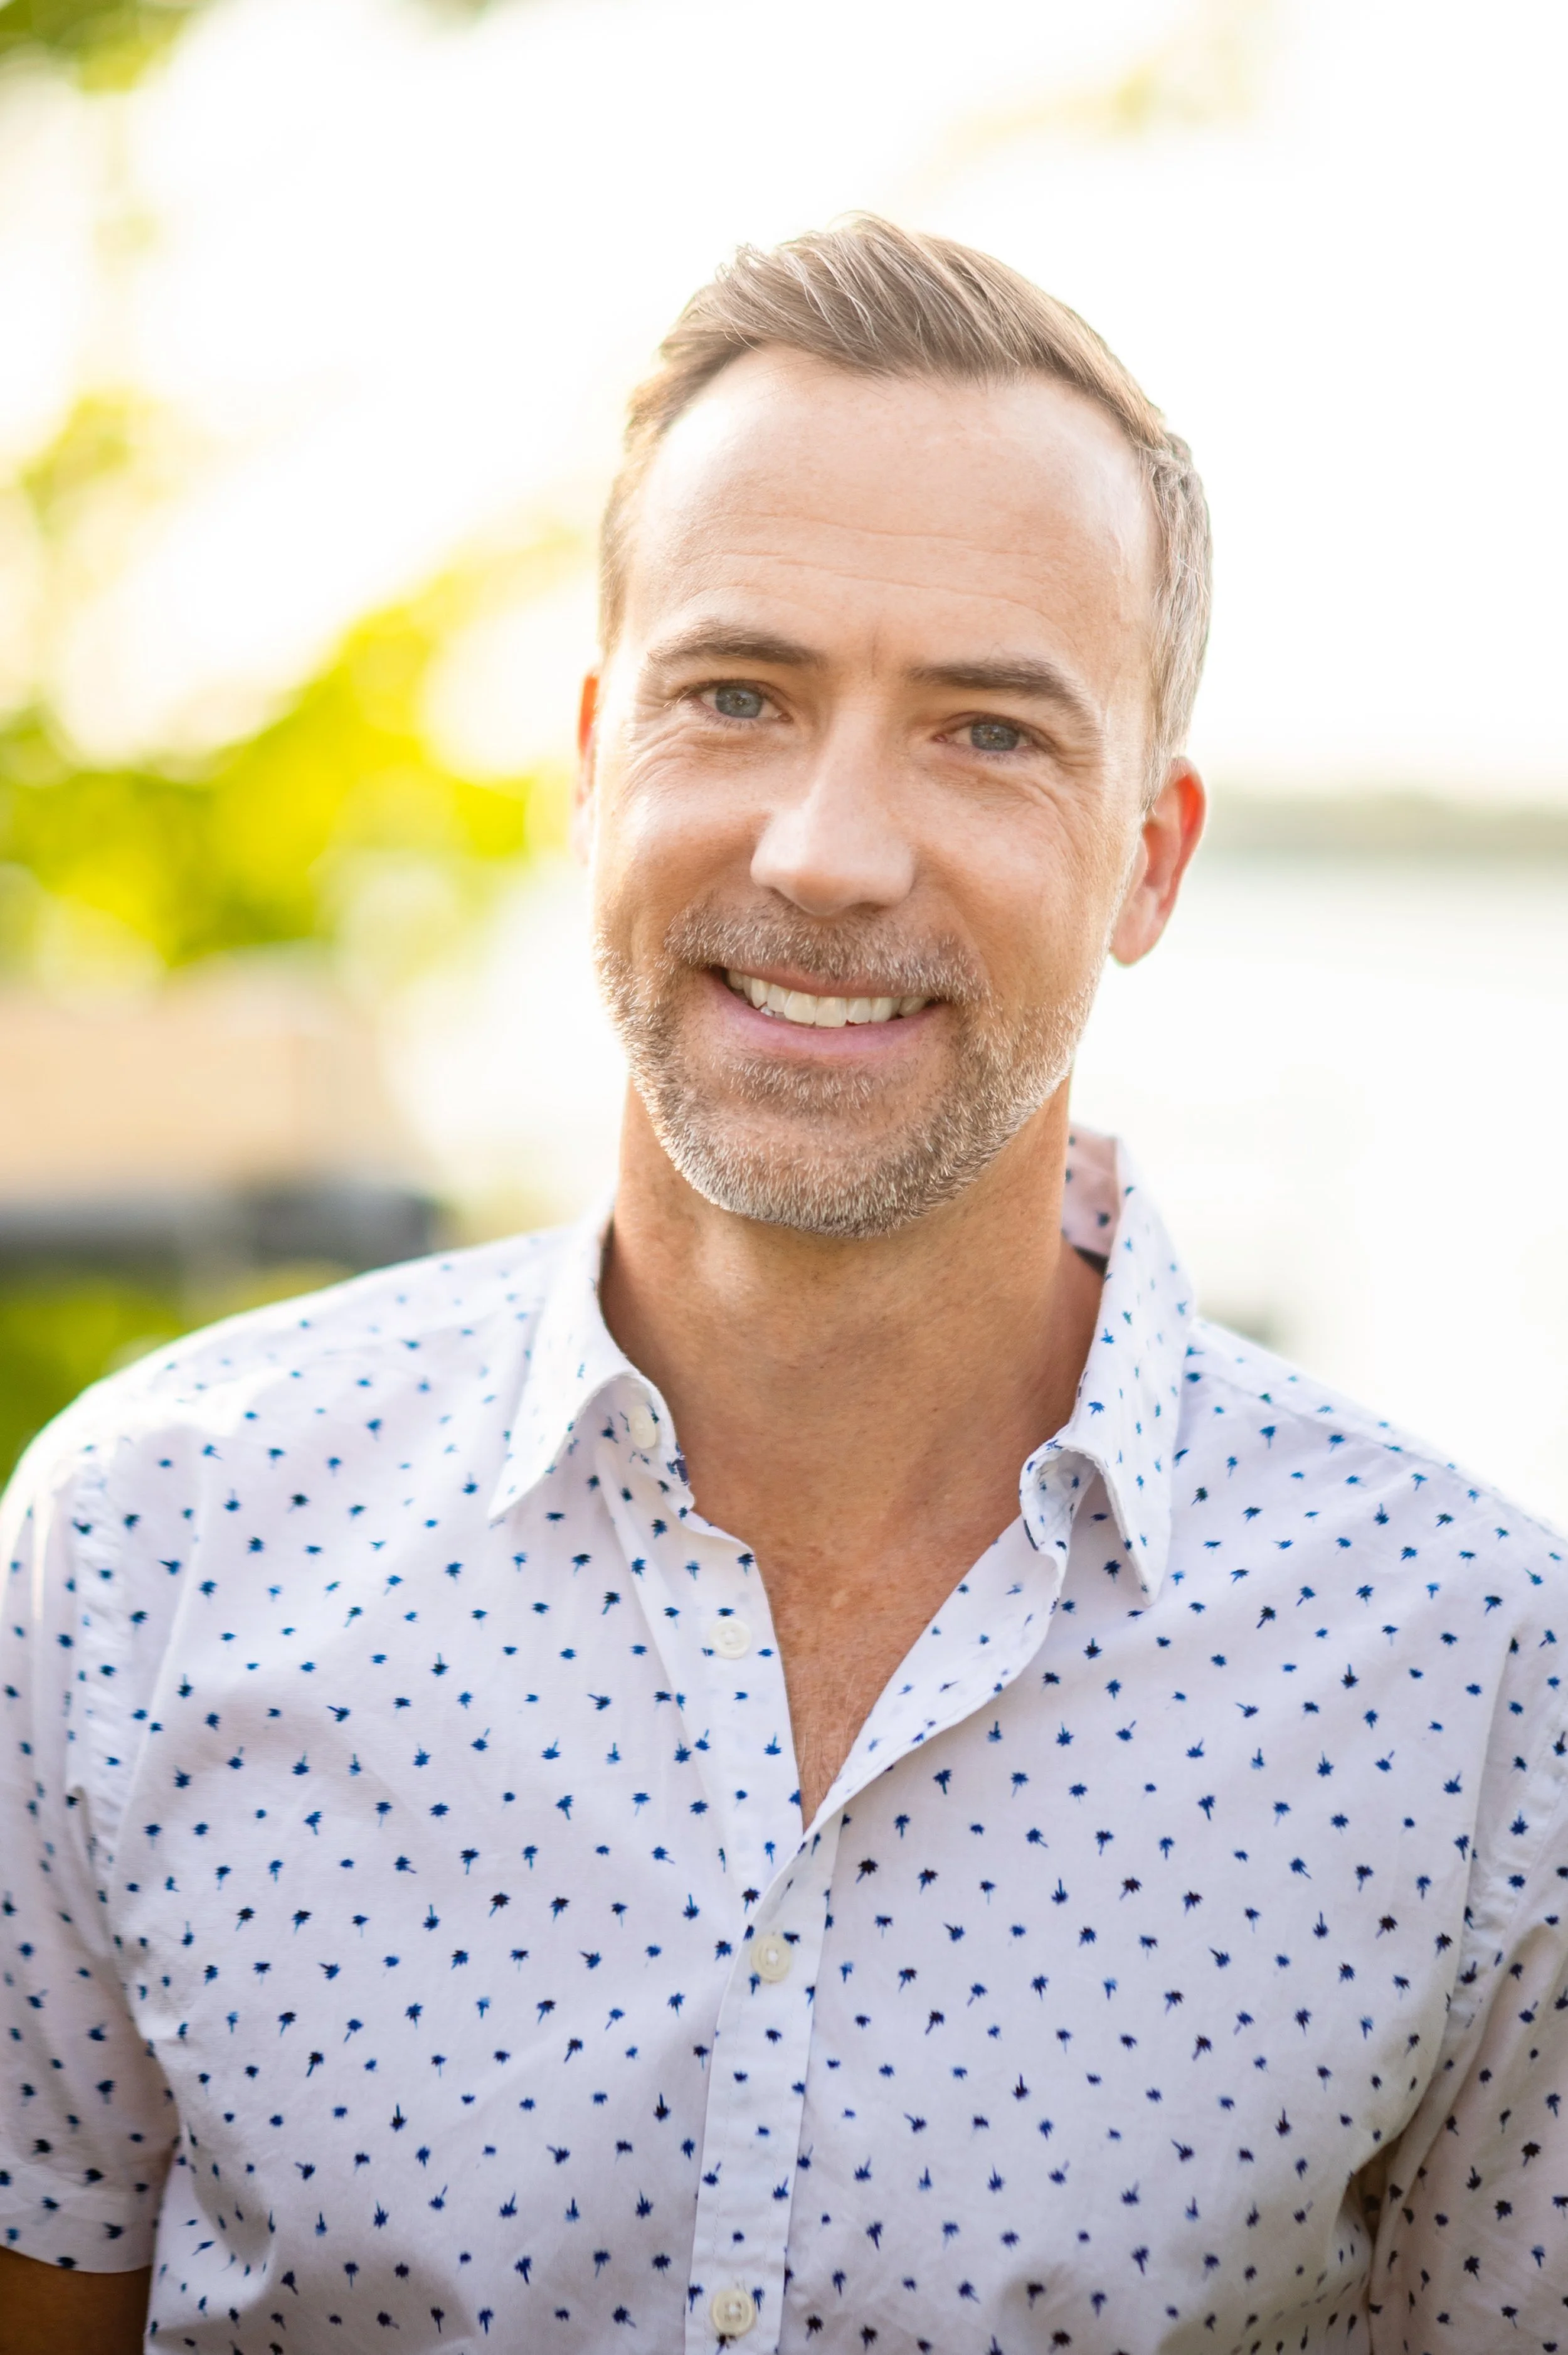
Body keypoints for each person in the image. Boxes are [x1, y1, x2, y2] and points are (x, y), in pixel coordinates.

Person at [1, 218, 1562, 2355]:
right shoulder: (144, 1556)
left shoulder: (1480, 1686)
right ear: (588, 764)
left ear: (1150, 858)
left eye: (989, 733)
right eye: (736, 695)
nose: (828, 853)